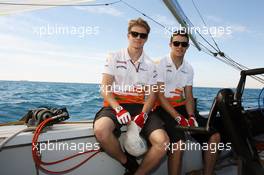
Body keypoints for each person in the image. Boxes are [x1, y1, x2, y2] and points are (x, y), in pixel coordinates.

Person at [93, 18, 169, 175]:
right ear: (128, 35)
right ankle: (128, 162)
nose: (138, 38)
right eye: (135, 34)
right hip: (116, 105)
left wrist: (144, 114)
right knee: (101, 131)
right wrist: (119, 109)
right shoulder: (114, 57)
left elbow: (152, 94)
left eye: (143, 35)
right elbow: (105, 87)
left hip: (140, 107)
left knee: (163, 143)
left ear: (147, 38)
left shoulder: (150, 64)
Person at [156, 30, 221, 175]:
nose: (180, 46)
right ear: (170, 45)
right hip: (164, 109)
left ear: (187, 46)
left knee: (214, 135)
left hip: (183, 108)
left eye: (183, 44)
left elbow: (189, 95)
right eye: (176, 43)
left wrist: (191, 116)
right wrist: (178, 117)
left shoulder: (189, 68)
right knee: (179, 144)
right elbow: (159, 95)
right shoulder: (160, 64)